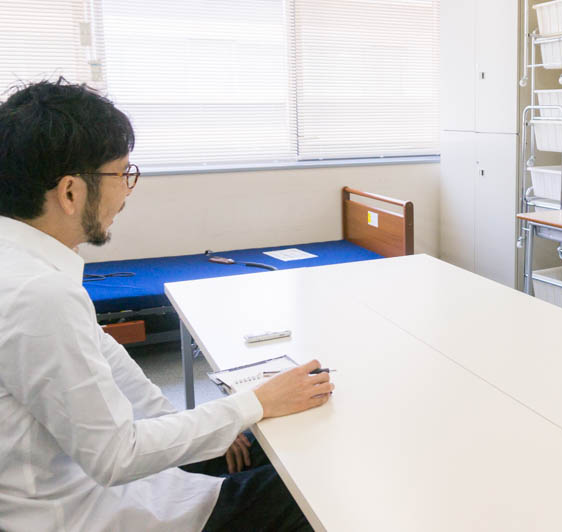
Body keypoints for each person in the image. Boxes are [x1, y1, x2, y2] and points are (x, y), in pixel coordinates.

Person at [0, 79, 333, 531]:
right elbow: (115, 456)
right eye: (122, 174)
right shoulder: (40, 295)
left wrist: (198, 423)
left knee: (265, 440)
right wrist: (253, 403)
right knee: (316, 485)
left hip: (91, 479)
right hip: (89, 511)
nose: (127, 191)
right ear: (71, 192)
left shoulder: (27, 267)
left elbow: (111, 363)